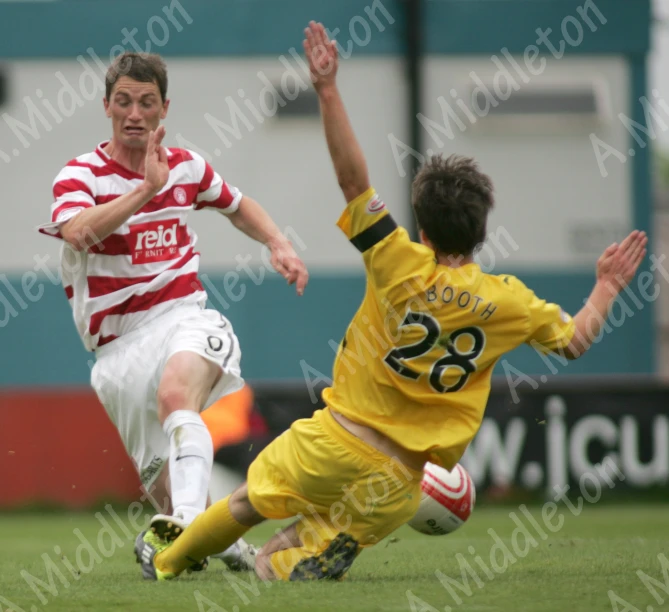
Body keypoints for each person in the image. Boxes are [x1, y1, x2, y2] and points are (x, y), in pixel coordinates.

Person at [134, 22, 648, 581]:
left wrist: (328, 91)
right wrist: (607, 286)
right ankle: (311, 550)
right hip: (403, 481)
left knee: (244, 508)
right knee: (270, 565)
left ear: (422, 227)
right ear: (480, 232)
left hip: (336, 441)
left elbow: (353, 181)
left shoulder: (397, 259)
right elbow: (574, 340)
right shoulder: (510, 303)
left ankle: (169, 560)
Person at [38, 51, 308, 570]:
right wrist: (145, 191)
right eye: (124, 102)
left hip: (184, 317)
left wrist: (279, 242)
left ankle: (184, 524)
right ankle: (224, 545)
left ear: (164, 109)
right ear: (106, 107)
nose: (134, 113)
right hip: (116, 354)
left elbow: (236, 203)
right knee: (164, 484)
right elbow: (78, 231)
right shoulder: (79, 176)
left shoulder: (186, 166)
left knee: (175, 396)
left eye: (146, 102)